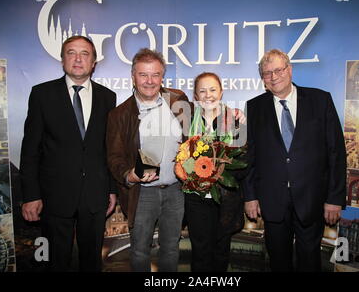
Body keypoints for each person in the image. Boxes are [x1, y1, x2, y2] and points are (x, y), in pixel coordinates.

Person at [243, 49, 347, 272]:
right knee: (278, 261)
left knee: (309, 261)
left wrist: (335, 198)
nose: (273, 76)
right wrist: (250, 196)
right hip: (272, 201)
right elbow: (249, 157)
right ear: (263, 78)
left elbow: (336, 153)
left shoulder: (321, 100)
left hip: (311, 199)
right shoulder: (254, 107)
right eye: (267, 73)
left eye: (278, 70)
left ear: (289, 70)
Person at [20, 36, 117, 272]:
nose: (77, 59)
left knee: (91, 263)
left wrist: (112, 189)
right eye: (71, 52)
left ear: (94, 62)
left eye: (85, 54)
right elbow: (30, 149)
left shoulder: (108, 97)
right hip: (54, 198)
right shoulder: (42, 95)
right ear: (62, 59)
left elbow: (110, 149)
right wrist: (31, 195)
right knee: (55, 263)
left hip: (95, 196)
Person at [106, 48, 191, 272]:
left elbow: (195, 136)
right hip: (142, 194)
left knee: (171, 247)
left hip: (176, 190)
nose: (150, 81)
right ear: (133, 76)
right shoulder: (120, 114)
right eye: (143, 75)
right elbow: (114, 157)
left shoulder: (178, 99)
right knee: (140, 250)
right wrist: (129, 174)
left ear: (162, 76)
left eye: (155, 74)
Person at [184, 72, 246, 272]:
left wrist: (218, 172)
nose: (208, 95)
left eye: (212, 89)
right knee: (200, 254)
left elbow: (245, 161)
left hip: (226, 198)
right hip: (196, 198)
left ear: (221, 92)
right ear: (195, 95)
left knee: (221, 253)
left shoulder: (237, 122)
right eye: (202, 90)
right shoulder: (185, 122)